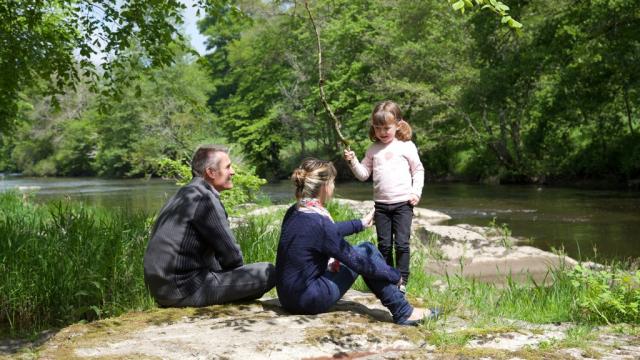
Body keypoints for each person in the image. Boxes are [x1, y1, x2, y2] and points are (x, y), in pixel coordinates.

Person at [275, 158, 430, 325]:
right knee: (366, 250)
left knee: (365, 249)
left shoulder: (295, 211)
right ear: (325, 186)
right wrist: (394, 275)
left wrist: (360, 224)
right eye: (333, 182)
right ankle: (403, 311)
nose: (333, 187)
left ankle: (401, 306)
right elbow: (358, 262)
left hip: (286, 297)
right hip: (308, 300)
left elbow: (324, 233)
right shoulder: (320, 223)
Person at [144, 145, 276, 307]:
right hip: (185, 290)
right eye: (228, 167)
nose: (233, 172)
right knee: (268, 272)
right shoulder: (205, 199)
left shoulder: (184, 194)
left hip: (162, 290)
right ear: (211, 172)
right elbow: (233, 258)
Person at [343, 100, 424, 292]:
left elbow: (418, 170)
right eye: (378, 128)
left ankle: (402, 280)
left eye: (387, 127)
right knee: (384, 245)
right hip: (381, 206)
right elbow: (363, 175)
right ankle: (387, 278)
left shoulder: (406, 146)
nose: (383, 132)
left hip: (403, 203)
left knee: (402, 244)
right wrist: (352, 161)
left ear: (398, 125)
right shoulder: (373, 150)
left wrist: (416, 192)